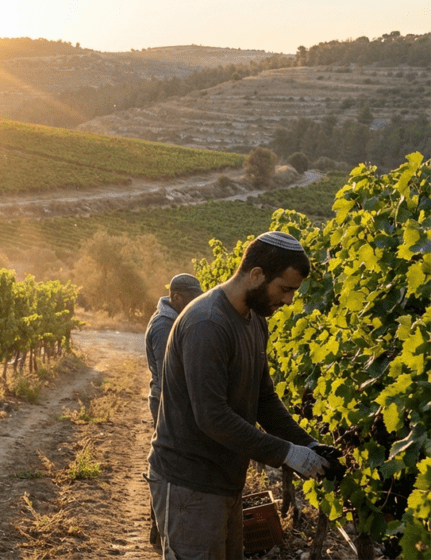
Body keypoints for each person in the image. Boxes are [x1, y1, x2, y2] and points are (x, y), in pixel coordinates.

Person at [147, 231, 343, 560]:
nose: (289, 300)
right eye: (285, 288)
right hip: (190, 484)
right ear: (256, 275)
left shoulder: (254, 322)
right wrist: (288, 454)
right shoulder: (207, 322)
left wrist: (307, 445)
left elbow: (264, 400)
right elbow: (212, 417)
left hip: (223, 480)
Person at [145, 273, 203, 426]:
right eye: (192, 299)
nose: (196, 304)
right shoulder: (164, 326)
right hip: (166, 402)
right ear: (177, 298)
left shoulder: (175, 319)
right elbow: (167, 374)